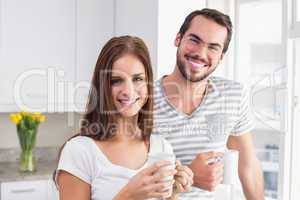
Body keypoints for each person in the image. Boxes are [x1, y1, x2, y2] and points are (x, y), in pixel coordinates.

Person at [54, 36, 194, 200]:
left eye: (138, 79)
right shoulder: (80, 151)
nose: (128, 91)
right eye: (116, 80)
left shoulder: (162, 148)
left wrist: (174, 193)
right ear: (102, 86)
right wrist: (128, 196)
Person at [153, 8, 264, 199]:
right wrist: (191, 175)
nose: (200, 53)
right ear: (178, 39)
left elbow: (248, 167)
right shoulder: (142, 100)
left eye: (213, 47)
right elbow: (128, 178)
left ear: (221, 57)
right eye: (194, 40)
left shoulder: (233, 96)